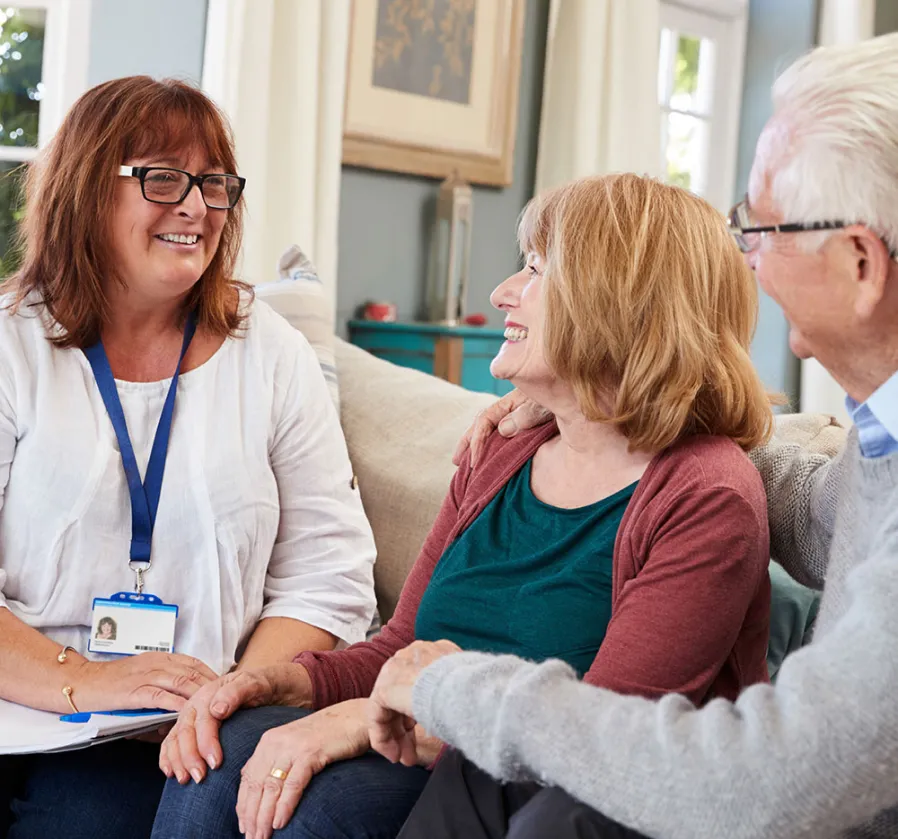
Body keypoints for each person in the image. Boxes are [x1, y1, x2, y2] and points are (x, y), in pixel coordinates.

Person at [367, 31, 898, 839]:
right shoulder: (879, 438)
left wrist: (456, 687)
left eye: (762, 228)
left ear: (860, 263)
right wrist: (609, 408)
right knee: (486, 790)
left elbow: (768, 785)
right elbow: (822, 514)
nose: (745, 258)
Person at [151, 173, 775, 839]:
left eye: (535, 270)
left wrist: (361, 720)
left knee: (322, 814)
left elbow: (599, 745)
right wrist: (276, 682)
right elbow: (398, 645)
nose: (502, 292)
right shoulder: (502, 451)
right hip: (441, 754)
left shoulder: (705, 494)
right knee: (223, 750)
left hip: (551, 796)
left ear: (622, 303)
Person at [0, 76, 376, 839]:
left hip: (191, 738)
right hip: (28, 711)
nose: (197, 206)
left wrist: (230, 696)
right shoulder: (10, 344)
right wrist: (92, 681)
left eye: (213, 183)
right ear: (83, 191)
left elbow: (327, 574)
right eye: (162, 178)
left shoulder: (269, 351)